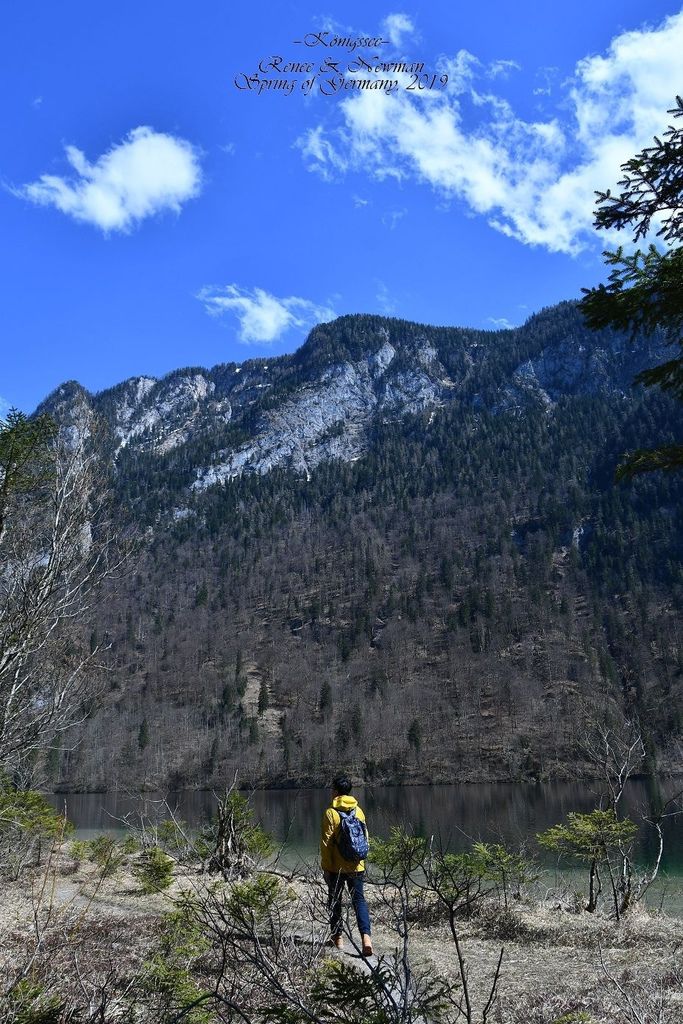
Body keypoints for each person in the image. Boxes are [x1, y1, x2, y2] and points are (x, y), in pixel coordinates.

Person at [320, 773, 372, 956]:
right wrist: (361, 860)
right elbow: (365, 838)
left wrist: (326, 868)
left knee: (335, 901)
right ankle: (366, 938)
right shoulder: (359, 811)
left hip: (336, 868)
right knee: (359, 901)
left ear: (335, 792)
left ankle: (338, 938)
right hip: (356, 865)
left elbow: (326, 844)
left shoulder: (330, 813)